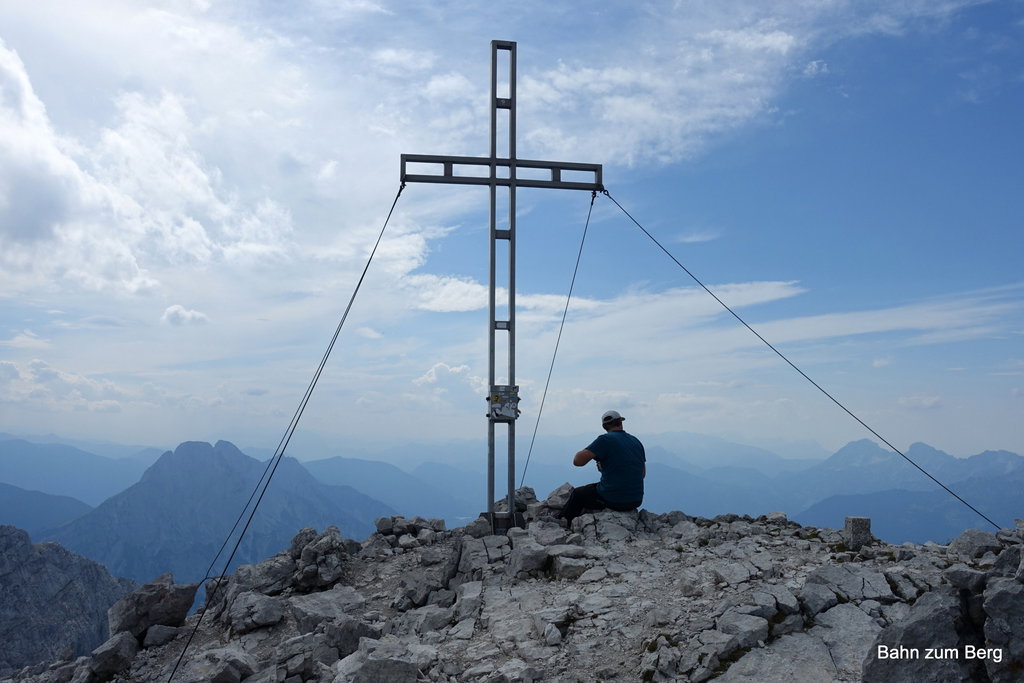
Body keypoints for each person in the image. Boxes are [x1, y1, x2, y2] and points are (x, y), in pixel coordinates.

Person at [559, 410, 646, 526]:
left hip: (613, 499)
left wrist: (597, 455)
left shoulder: (604, 440)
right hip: (636, 500)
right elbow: (642, 473)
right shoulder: (636, 441)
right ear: (620, 422)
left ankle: (564, 523)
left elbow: (577, 461)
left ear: (604, 426)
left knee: (578, 494)